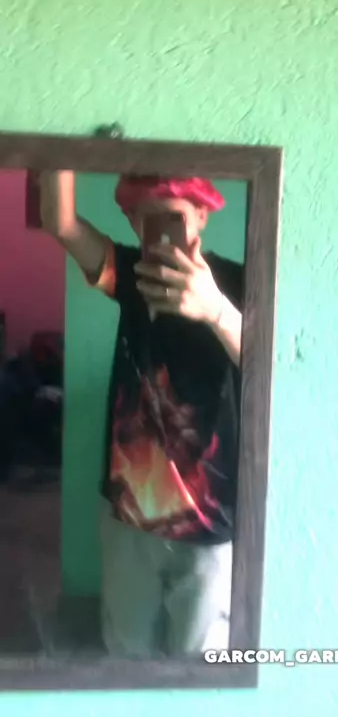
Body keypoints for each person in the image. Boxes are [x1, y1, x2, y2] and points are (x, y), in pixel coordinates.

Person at [39, 171, 243, 657]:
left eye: (175, 219)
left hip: (212, 520)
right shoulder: (131, 275)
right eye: (148, 222)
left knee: (203, 661)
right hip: (131, 514)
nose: (163, 236)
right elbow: (60, 222)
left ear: (202, 215)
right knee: (128, 654)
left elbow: (278, 369)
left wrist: (215, 310)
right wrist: (61, 143)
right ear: (132, 224)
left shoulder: (238, 280)